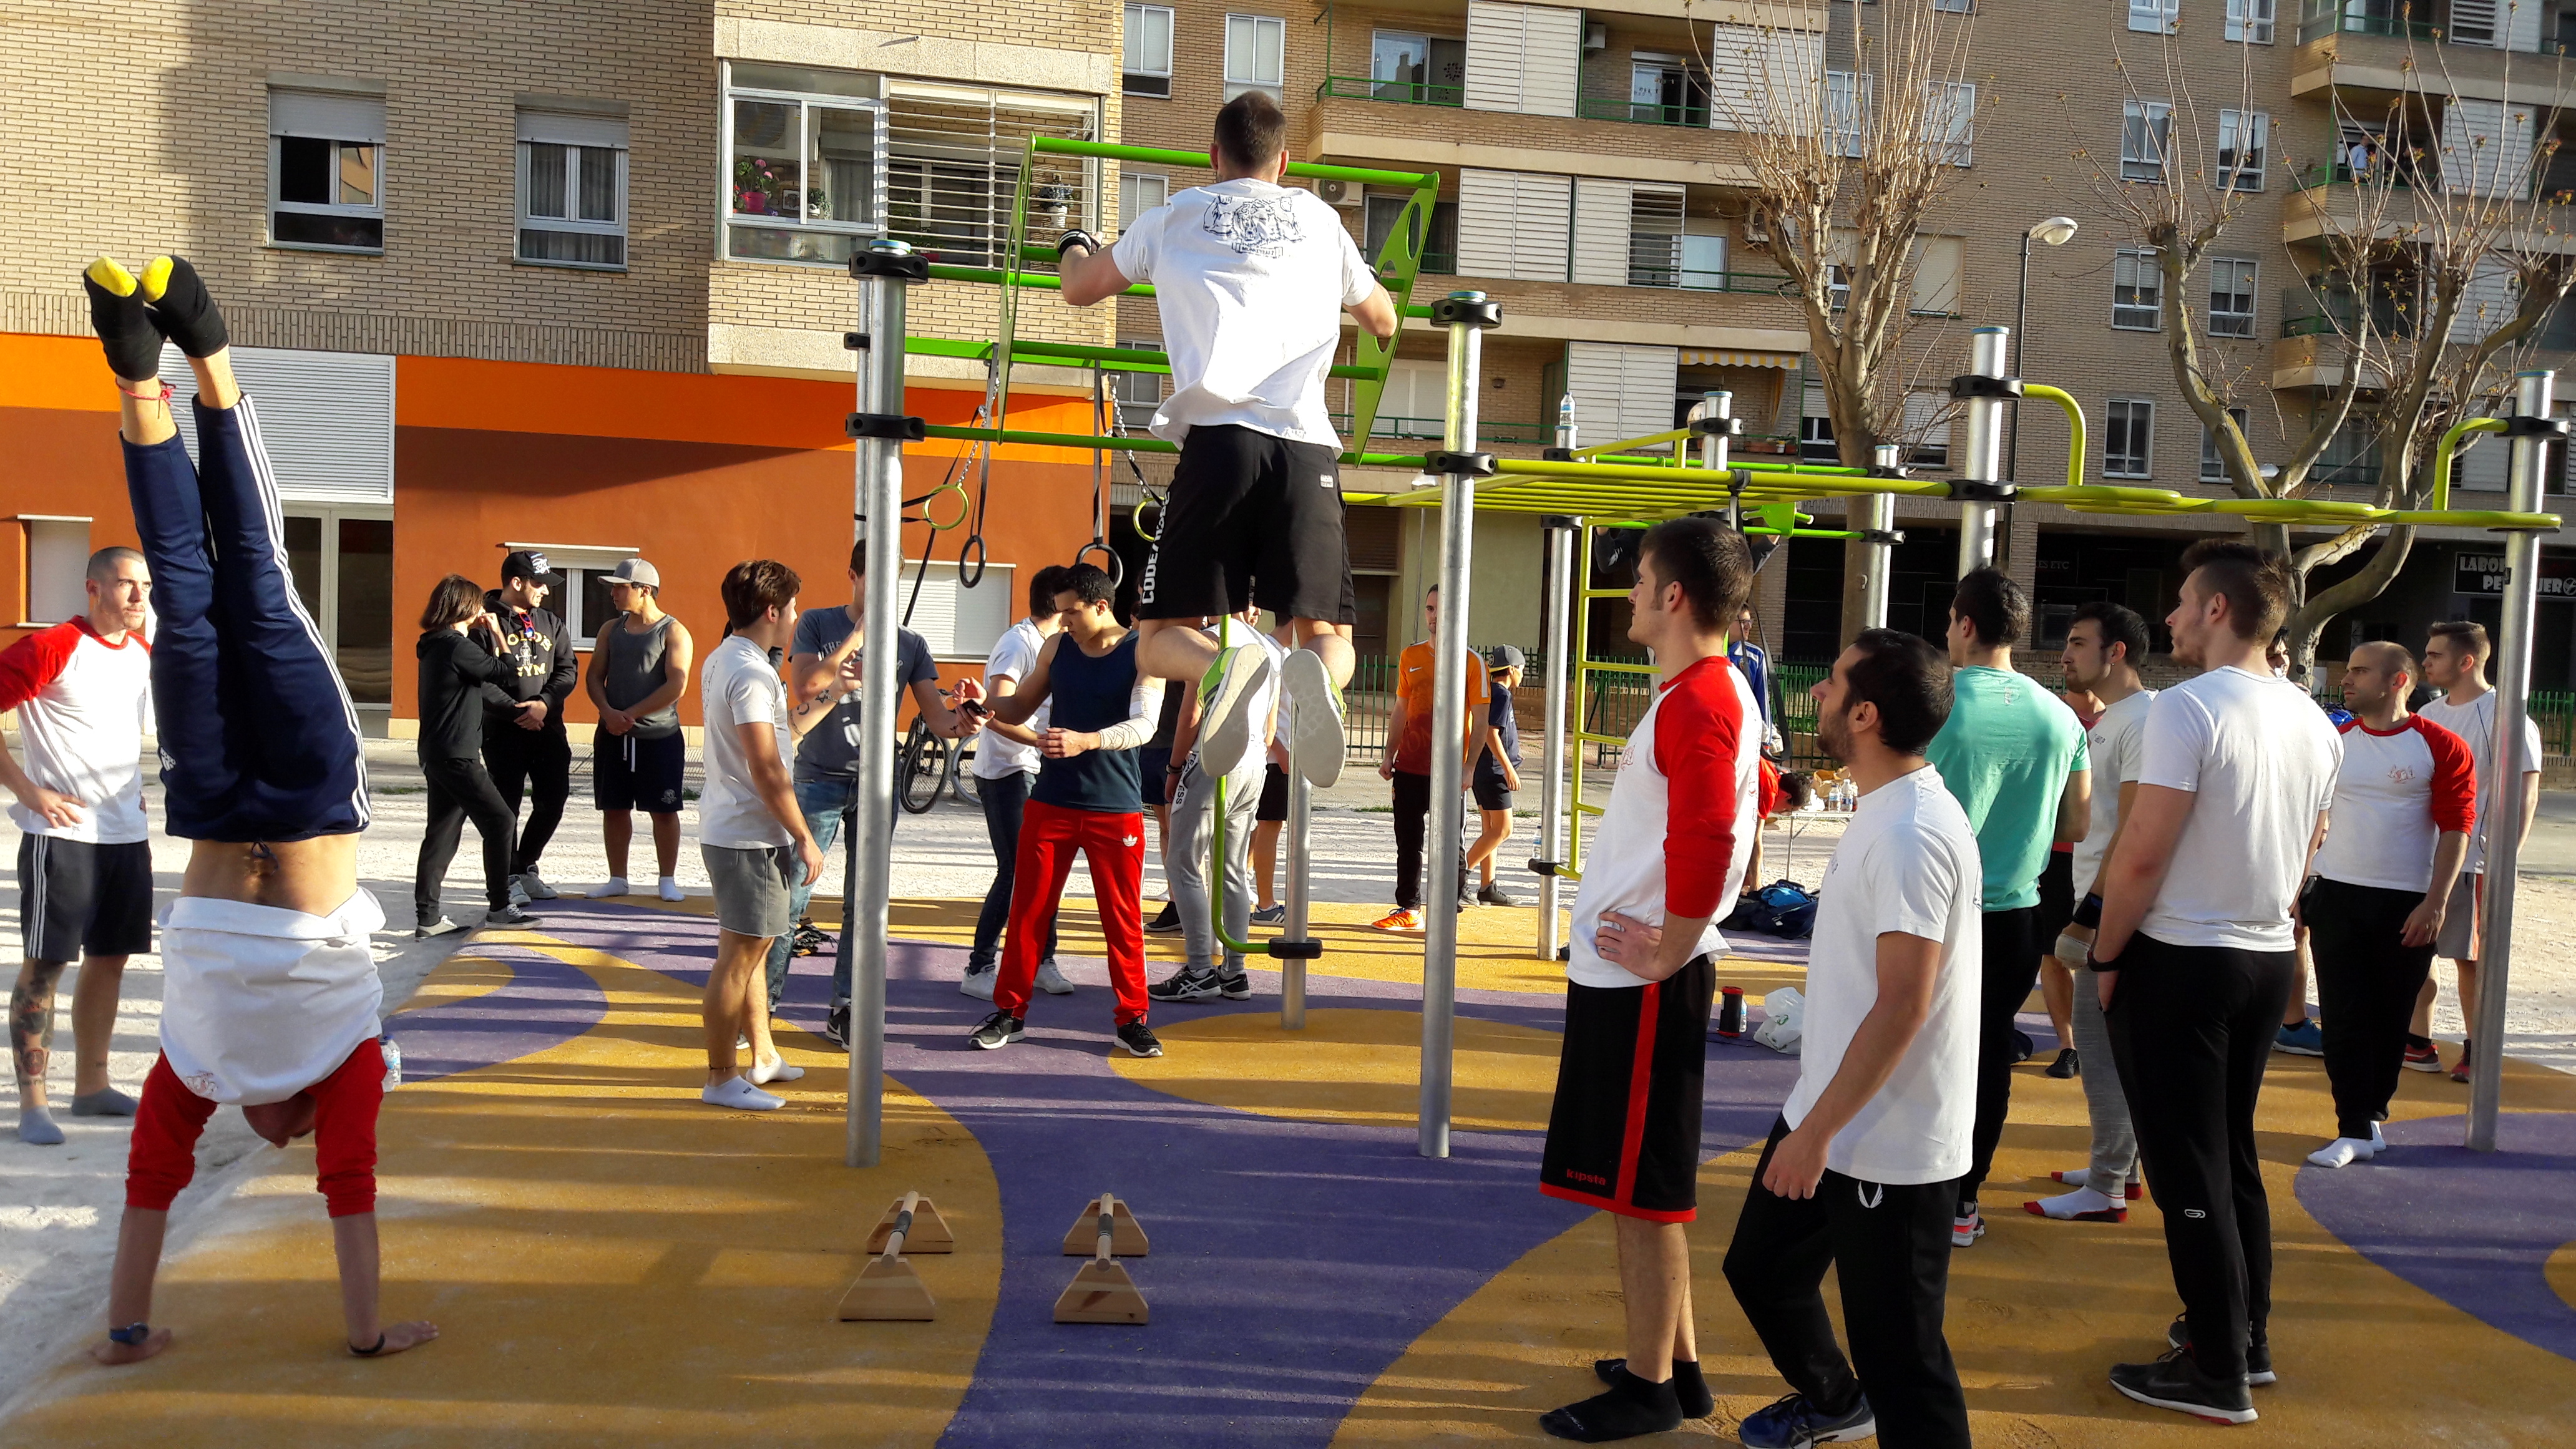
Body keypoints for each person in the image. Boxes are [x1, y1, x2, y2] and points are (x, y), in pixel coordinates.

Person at [80, 253, 432, 1362]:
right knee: (231, 588)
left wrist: (131, 1329)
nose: (284, 1139)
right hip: (275, 792)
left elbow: (163, 1183)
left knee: (216, 589)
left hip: (250, 796)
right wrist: (366, 1332)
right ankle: (176, 366)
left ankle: (173, 367)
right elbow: (339, 1186)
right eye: (298, 1139)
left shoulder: (234, 1066)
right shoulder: (271, 1062)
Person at [1055, 90, 1398, 786]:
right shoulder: (1322, 221)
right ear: (1285, 162)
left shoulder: (1172, 216)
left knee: (1156, 640)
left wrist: (1074, 246)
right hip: (1304, 447)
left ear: (1213, 156)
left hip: (1217, 446)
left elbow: (1080, 288)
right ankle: (1311, 680)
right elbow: (1384, 321)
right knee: (1330, 635)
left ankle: (1230, 663)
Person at [2087, 540, 2340, 1423]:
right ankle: (2243, 1337)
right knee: (2227, 1153)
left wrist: (2106, 955)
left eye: (2184, 601)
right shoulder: (2313, 720)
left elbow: (2141, 852)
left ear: (2220, 610)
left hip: (2184, 959)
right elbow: (2309, 847)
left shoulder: (2188, 708)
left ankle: (2216, 1368)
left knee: (2187, 1166)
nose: (2171, 617)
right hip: (2263, 955)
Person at [1533, 519, 1761, 1443]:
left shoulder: (1702, 698)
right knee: (1641, 1186)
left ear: (1674, 596)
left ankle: (1650, 1386)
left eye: (1639, 579)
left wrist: (1669, 950)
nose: (1627, 592)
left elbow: (1709, 840)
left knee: (1644, 1196)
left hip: (1646, 981)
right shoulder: (1698, 692)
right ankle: (1681, 1366)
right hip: (1633, 974)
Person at [1722, 628, 1978, 1449]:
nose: (1817, 693)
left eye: (1832, 683)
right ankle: (1836, 1401)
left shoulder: (1912, 833)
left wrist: (1818, 1135)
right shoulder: (1886, 809)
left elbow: (1904, 1006)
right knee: (1761, 1270)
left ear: (1865, 714)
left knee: (1904, 1358)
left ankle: (1863, 1400)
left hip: (1887, 1144)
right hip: (1832, 1112)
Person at [1921, 567, 2089, 1248]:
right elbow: (2076, 824)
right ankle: (1963, 1201)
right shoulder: (2061, 716)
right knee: (1988, 1056)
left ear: (1965, 624)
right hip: (2016, 912)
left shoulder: (1936, 701)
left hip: (1934, 909)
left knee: (1911, 1051)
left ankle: (1906, 1191)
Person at [776, 542, 987, 1038]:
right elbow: (804, 686)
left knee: (864, 903)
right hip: (819, 778)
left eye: (891, 578)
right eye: (873, 576)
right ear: (853, 575)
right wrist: (856, 638)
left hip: (876, 785)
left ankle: (846, 1007)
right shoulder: (818, 624)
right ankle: (761, 1004)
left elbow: (938, 718)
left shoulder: (909, 643)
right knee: (790, 897)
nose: (882, 588)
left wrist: (966, 719)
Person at [969, 564, 1167, 1058]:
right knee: (1027, 913)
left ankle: (1132, 1019)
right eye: (1059, 614)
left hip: (1115, 809)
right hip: (1051, 802)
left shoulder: (1143, 650)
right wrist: (983, 704)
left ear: (1101, 605)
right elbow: (1016, 709)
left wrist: (1087, 741)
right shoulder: (1057, 647)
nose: (1063, 622)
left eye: (1072, 613)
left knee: (1122, 920)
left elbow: (1144, 726)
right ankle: (1010, 1013)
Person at [3, 545, 154, 1145]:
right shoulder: (52, 646)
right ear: (93, 588)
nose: (139, 596)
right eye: (126, 584)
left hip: (126, 835)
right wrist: (28, 790)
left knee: (111, 958)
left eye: (145, 586)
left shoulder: (140, 652)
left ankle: (92, 1088)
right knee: (45, 967)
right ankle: (33, 1104)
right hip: (62, 838)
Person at [2304, 643, 2473, 1168]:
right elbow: (2315, 818)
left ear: (2398, 681)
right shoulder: (2336, 742)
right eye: (2349, 669)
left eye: (2360, 671)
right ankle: (2354, 1125)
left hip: (2406, 902)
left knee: (2390, 1015)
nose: (2347, 679)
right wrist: (2300, 885)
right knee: (2342, 1015)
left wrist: (2436, 903)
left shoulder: (2441, 745)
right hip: (2335, 893)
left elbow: (2457, 828)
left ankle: (2369, 1116)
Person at [2029, 603, 2155, 1224]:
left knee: (2103, 1049)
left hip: (2118, 915)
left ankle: (2107, 1184)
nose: (2065, 654)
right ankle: (2119, 1169)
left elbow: (2134, 829)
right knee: (2111, 1047)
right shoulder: (2113, 721)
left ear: (2117, 651)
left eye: (2079, 642)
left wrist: (2091, 914)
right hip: (2108, 907)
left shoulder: (2144, 721)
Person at [695, 560, 829, 1111]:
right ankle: (721, 1078)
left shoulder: (728, 658)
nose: (796, 616)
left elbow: (780, 737)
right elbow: (767, 766)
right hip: (747, 835)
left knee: (753, 947)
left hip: (739, 829)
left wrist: (834, 694)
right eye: (793, 607)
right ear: (772, 611)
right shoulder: (751, 672)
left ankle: (764, 1056)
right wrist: (804, 835)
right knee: (740, 956)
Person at [2411, 620, 2544, 1081]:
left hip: (2476, 859)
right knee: (2416, 948)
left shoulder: (2506, 715)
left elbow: (2525, 792)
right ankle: (2417, 1042)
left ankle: (2479, 1049)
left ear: (2466, 662)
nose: (2426, 662)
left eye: (2436, 655)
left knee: (2471, 960)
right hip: (2424, 857)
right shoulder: (2430, 714)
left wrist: (2504, 859)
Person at [1151, 608, 1286, 1004]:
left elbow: (1191, 714)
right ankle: (1234, 971)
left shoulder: (1210, 641)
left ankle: (1198, 969)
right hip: (1254, 762)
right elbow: (1271, 728)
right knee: (1232, 868)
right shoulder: (1270, 648)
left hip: (1212, 759)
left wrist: (1175, 767)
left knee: (1183, 861)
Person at [963, 565, 1070, 1000]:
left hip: (1035, 768)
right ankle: (979, 967)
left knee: (1044, 869)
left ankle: (1043, 960)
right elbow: (992, 711)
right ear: (1059, 603)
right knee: (1015, 869)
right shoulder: (1018, 644)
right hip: (1008, 772)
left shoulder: (1054, 644)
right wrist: (1040, 741)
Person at [411, 575, 538, 939]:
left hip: (438, 751)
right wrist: (498, 633)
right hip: (458, 754)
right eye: (478, 603)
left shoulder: (436, 645)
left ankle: (428, 919)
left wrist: (516, 711)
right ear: (464, 606)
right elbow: (507, 672)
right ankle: (499, 907)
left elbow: (482, 689)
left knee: (442, 833)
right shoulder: (456, 646)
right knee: (500, 820)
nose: (483, 609)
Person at [1372, 585, 1488, 932]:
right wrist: (1389, 755)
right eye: (1430, 609)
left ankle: (1448, 908)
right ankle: (1409, 908)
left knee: (1450, 843)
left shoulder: (1471, 662)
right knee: (1408, 841)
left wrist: (1469, 767)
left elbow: (1481, 720)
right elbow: (1401, 709)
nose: (1435, 616)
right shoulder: (1411, 656)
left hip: (1449, 770)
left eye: (1441, 609)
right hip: (1410, 765)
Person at [584, 559, 690, 902]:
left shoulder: (673, 631)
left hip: (659, 738)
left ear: (644, 590)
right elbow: (594, 676)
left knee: (664, 811)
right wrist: (608, 713)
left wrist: (630, 714)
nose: (613, 594)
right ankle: (618, 878)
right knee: (614, 808)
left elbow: (676, 685)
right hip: (612, 735)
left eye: (620, 587)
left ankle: (667, 880)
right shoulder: (609, 630)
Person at [479, 550, 576, 905]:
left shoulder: (551, 622)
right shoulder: (484, 622)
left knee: (554, 799)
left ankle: (524, 865)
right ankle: (506, 877)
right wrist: (517, 710)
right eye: (539, 584)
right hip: (503, 730)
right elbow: (479, 678)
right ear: (517, 582)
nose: (546, 591)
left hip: (547, 727)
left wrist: (544, 704)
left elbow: (567, 669)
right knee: (506, 808)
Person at [2033, 684, 2102, 1080]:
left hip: (2106, 855)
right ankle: (2069, 1046)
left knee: (2105, 954)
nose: (2067, 659)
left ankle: (2105, 1043)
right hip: (2058, 852)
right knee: (2054, 952)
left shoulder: (2129, 718)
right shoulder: (2051, 717)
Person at [1466, 645, 1526, 907]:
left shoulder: (1491, 691)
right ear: (1512, 670)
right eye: (1521, 669)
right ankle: (1458, 875)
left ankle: (1487, 886)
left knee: (1490, 830)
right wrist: (1509, 769)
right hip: (1493, 771)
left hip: (1484, 770)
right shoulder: (1501, 694)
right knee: (1503, 829)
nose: (1522, 674)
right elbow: (1492, 734)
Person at [1139, 686, 1189, 935]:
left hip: (1179, 745)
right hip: (1149, 744)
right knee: (1166, 828)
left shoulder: (1188, 662)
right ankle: (1176, 902)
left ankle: (1187, 904)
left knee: (1180, 831)